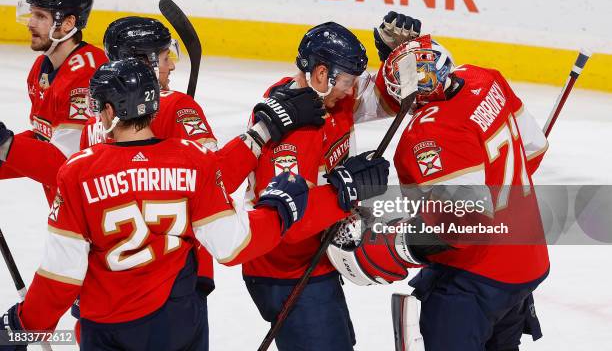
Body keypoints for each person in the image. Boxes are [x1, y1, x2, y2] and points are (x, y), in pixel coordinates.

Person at [0, 58, 318, 351]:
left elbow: (60, 276)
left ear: (110, 112)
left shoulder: (78, 172)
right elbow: (231, 245)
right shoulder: (193, 159)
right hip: (178, 318)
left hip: (109, 326)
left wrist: (21, 325)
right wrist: (280, 209)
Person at [328, 35, 550, 351]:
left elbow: (466, 225)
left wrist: (394, 245)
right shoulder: (484, 78)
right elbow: (535, 149)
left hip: (475, 277)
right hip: (527, 258)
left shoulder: (429, 134)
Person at [241, 20, 416, 351]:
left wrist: (398, 60)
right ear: (321, 74)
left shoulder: (332, 97)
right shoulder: (291, 131)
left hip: (316, 259)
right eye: (348, 81)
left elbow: (391, 100)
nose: (353, 89)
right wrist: (345, 188)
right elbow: (285, 222)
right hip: (286, 270)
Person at [0, 0, 108, 204]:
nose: (30, 23)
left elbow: (66, 166)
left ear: (68, 23)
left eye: (41, 16)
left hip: (95, 210)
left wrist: (5, 144)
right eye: (32, 13)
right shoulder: (43, 66)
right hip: (67, 209)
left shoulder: (86, 75)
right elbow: (43, 140)